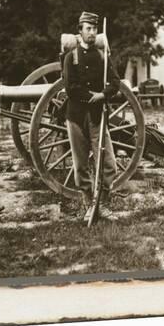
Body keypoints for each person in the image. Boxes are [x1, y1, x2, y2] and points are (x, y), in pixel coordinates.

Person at [62, 11, 121, 222]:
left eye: (94, 29)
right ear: (80, 31)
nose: (92, 32)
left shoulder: (102, 57)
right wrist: (93, 96)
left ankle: (103, 204)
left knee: (108, 162)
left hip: (98, 116)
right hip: (76, 116)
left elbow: (116, 82)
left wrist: (103, 95)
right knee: (80, 164)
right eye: (88, 28)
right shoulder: (71, 57)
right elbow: (71, 88)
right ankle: (88, 204)